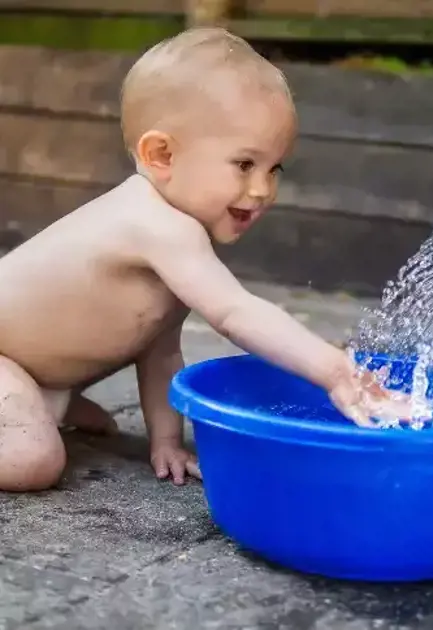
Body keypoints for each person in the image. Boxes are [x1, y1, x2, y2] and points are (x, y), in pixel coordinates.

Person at [0, 27, 396, 492]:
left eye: (274, 169)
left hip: (25, 362)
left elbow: (160, 350)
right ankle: (43, 405)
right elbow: (234, 313)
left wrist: (165, 441)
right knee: (33, 460)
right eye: (245, 164)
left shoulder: (177, 236)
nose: (263, 189)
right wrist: (335, 372)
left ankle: (48, 399)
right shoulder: (155, 224)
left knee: (45, 418)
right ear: (162, 154)